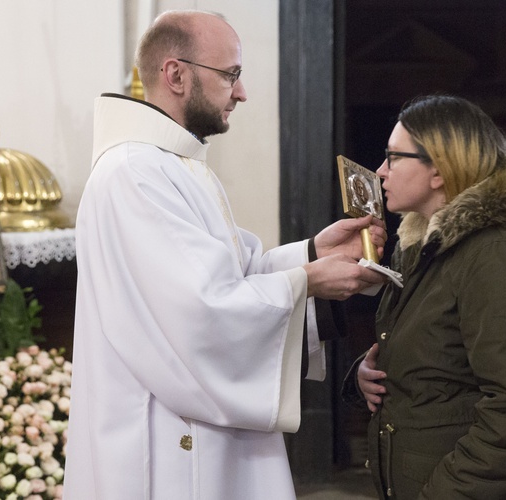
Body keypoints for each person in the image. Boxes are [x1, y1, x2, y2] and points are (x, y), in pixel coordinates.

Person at [63, 10, 389, 500]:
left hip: (202, 432)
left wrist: (313, 252)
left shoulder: (176, 166)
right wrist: (307, 281)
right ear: (175, 74)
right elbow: (199, 309)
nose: (241, 92)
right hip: (168, 444)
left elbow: (234, 273)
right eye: (231, 75)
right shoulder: (134, 174)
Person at [342, 95, 506, 499]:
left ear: (439, 170)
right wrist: (372, 371)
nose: (380, 172)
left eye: (392, 157)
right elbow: (446, 354)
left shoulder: (502, 251)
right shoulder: (429, 246)